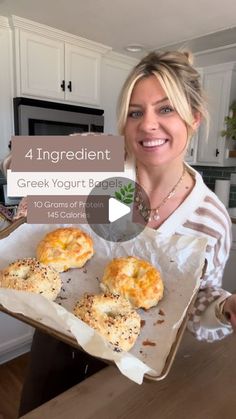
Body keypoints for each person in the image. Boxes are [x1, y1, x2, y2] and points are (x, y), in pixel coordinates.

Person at [1, 50, 236, 416]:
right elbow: (14, 166)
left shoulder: (211, 218)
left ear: (194, 119)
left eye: (166, 109)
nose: (148, 125)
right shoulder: (107, 161)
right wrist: (62, 157)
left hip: (133, 360)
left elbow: (196, 307)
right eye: (135, 112)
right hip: (58, 335)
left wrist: (224, 308)